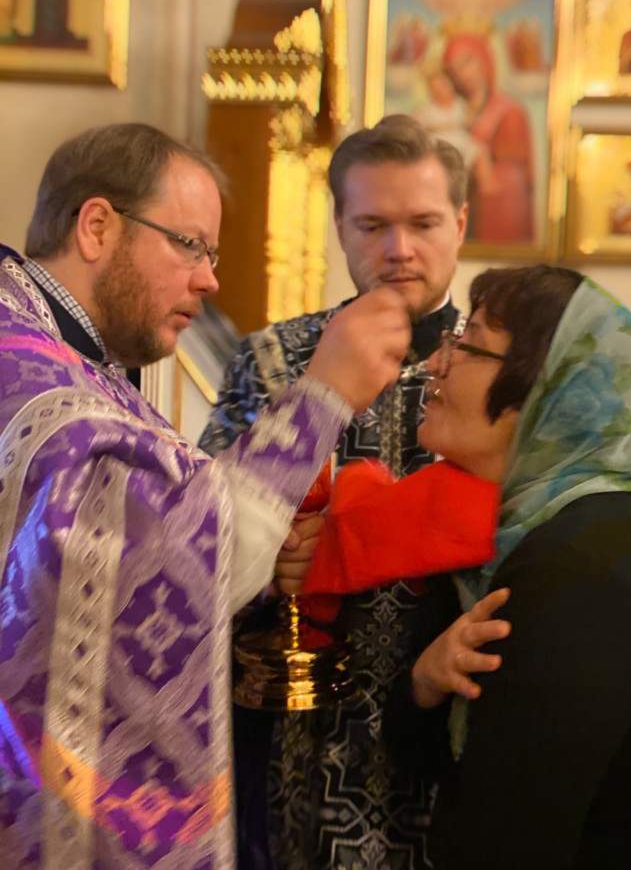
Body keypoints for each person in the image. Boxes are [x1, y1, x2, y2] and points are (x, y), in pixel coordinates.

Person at [0, 122, 411, 870]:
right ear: (97, 227)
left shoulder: (58, 351)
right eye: (189, 245)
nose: (209, 280)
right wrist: (323, 396)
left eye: (211, 255)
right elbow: (178, 568)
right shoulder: (46, 392)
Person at [385, 264, 631, 869]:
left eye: (467, 344)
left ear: (544, 391)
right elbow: (443, 769)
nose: (435, 362)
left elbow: (506, 842)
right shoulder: (546, 530)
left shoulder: (585, 563)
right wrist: (425, 683)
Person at [200, 114, 468, 870]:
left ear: (460, 223)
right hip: (301, 744)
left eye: (422, 223)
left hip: (450, 726)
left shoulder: (498, 368)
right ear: (341, 227)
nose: (398, 249)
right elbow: (201, 534)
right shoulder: (274, 360)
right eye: (373, 225)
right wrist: (271, 562)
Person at [443, 33, 535, 243]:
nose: (461, 74)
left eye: (467, 62)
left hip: (491, 212)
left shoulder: (510, 112)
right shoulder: (448, 110)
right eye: (453, 70)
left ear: (484, 60)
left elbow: (512, 178)